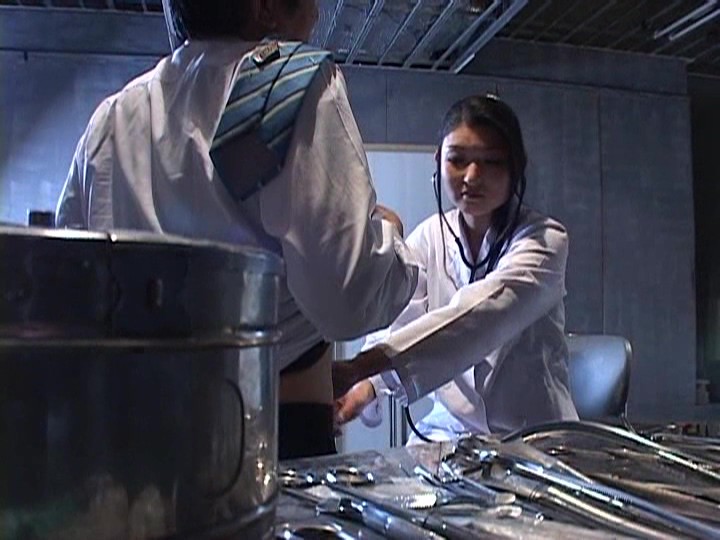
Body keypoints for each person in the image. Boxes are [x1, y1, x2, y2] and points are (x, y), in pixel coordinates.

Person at [55, 0, 418, 459]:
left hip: (139, 426)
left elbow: (70, 285)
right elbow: (347, 297)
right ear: (265, 9)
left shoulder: (112, 117)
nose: (318, 8)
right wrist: (391, 236)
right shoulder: (291, 83)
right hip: (271, 424)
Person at [333, 95, 578, 442]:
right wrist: (359, 391)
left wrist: (359, 367)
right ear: (438, 161)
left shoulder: (546, 241)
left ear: (516, 168)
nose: (473, 176)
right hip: (449, 433)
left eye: (492, 161)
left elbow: (479, 315)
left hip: (534, 434)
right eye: (458, 160)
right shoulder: (429, 237)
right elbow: (400, 322)